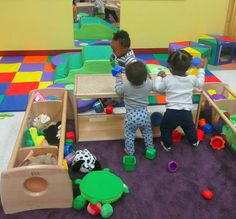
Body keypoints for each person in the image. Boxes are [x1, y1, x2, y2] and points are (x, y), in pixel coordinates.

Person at [154, 50, 205, 152]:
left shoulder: (167, 80)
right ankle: (194, 142)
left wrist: (159, 77)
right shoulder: (192, 78)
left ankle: (167, 145)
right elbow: (200, 84)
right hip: (186, 113)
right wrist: (201, 69)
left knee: (165, 129)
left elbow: (158, 88)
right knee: (189, 128)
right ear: (190, 66)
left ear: (170, 67)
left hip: (171, 113)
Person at [115, 61, 154, 155]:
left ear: (128, 78)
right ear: (145, 77)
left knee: (129, 135)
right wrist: (148, 77)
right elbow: (151, 82)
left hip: (131, 116)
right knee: (147, 133)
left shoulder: (126, 86)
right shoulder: (149, 84)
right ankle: (150, 148)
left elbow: (118, 91)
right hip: (144, 115)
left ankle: (130, 152)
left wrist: (118, 78)